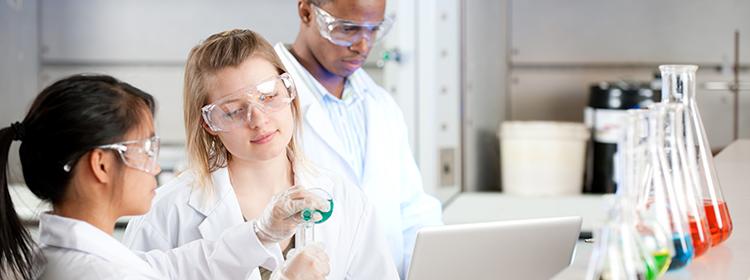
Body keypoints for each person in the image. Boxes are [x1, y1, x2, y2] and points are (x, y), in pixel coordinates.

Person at [122, 29, 398, 280]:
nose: (258, 119)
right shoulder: (166, 212)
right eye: (232, 110)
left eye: (268, 96)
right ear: (209, 123)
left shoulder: (346, 199)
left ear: (289, 90)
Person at [0, 74, 330, 280]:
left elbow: (170, 268)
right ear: (100, 165)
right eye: (146, 149)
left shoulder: (86, 258)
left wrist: (261, 232)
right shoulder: (94, 272)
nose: (156, 167)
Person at [274, 0, 443, 275]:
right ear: (306, 12)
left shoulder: (381, 104)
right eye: (348, 28)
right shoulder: (266, 108)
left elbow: (412, 210)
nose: (363, 46)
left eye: (373, 30)